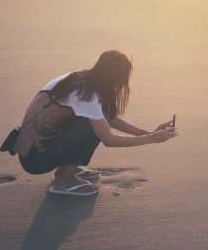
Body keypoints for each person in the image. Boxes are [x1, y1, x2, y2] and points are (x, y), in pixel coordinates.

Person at [13, 50, 178, 196]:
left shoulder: (80, 79)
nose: (122, 85)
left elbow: (107, 117)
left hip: (31, 150)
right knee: (92, 127)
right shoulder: (87, 95)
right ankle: (64, 179)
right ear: (113, 78)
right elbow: (109, 139)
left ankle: (66, 169)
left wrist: (148, 133)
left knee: (99, 120)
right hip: (35, 160)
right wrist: (151, 139)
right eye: (122, 80)